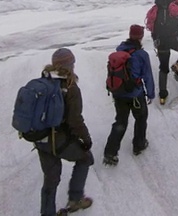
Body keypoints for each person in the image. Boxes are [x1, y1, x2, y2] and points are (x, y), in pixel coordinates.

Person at [34, 48, 94, 215]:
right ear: (70, 65)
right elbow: (75, 120)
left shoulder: (42, 82)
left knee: (50, 179)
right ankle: (75, 199)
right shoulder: (70, 87)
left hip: (40, 138)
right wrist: (86, 140)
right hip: (59, 139)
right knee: (86, 158)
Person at [103, 24, 156, 166]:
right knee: (141, 117)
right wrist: (150, 94)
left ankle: (110, 152)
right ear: (141, 37)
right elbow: (148, 76)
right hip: (135, 94)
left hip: (119, 93)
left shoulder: (119, 50)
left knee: (120, 121)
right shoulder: (142, 55)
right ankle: (139, 145)